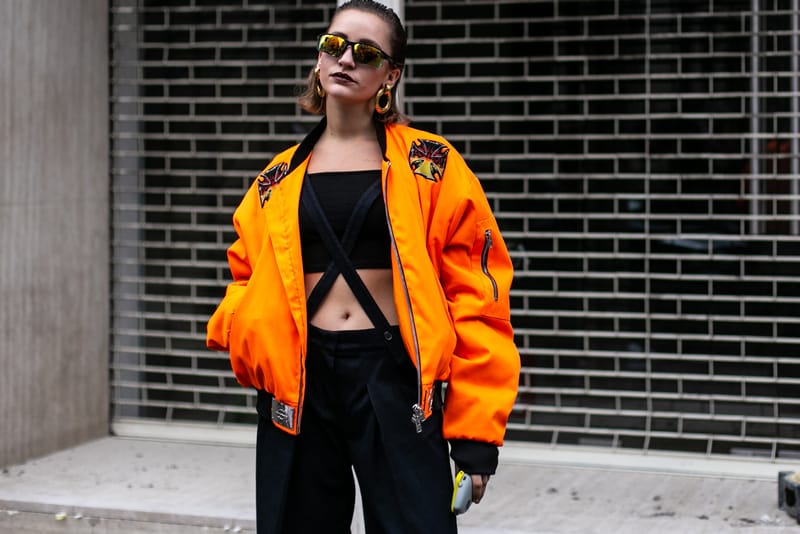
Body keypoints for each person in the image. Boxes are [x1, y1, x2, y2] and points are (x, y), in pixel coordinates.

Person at [206, 1, 520, 532]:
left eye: (366, 51)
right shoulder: (277, 178)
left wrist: (474, 435)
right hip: (301, 385)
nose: (345, 58)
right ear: (319, 58)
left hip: (393, 377)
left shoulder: (432, 165)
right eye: (335, 44)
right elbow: (245, 272)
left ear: (390, 75)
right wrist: (248, 336)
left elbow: (478, 294)